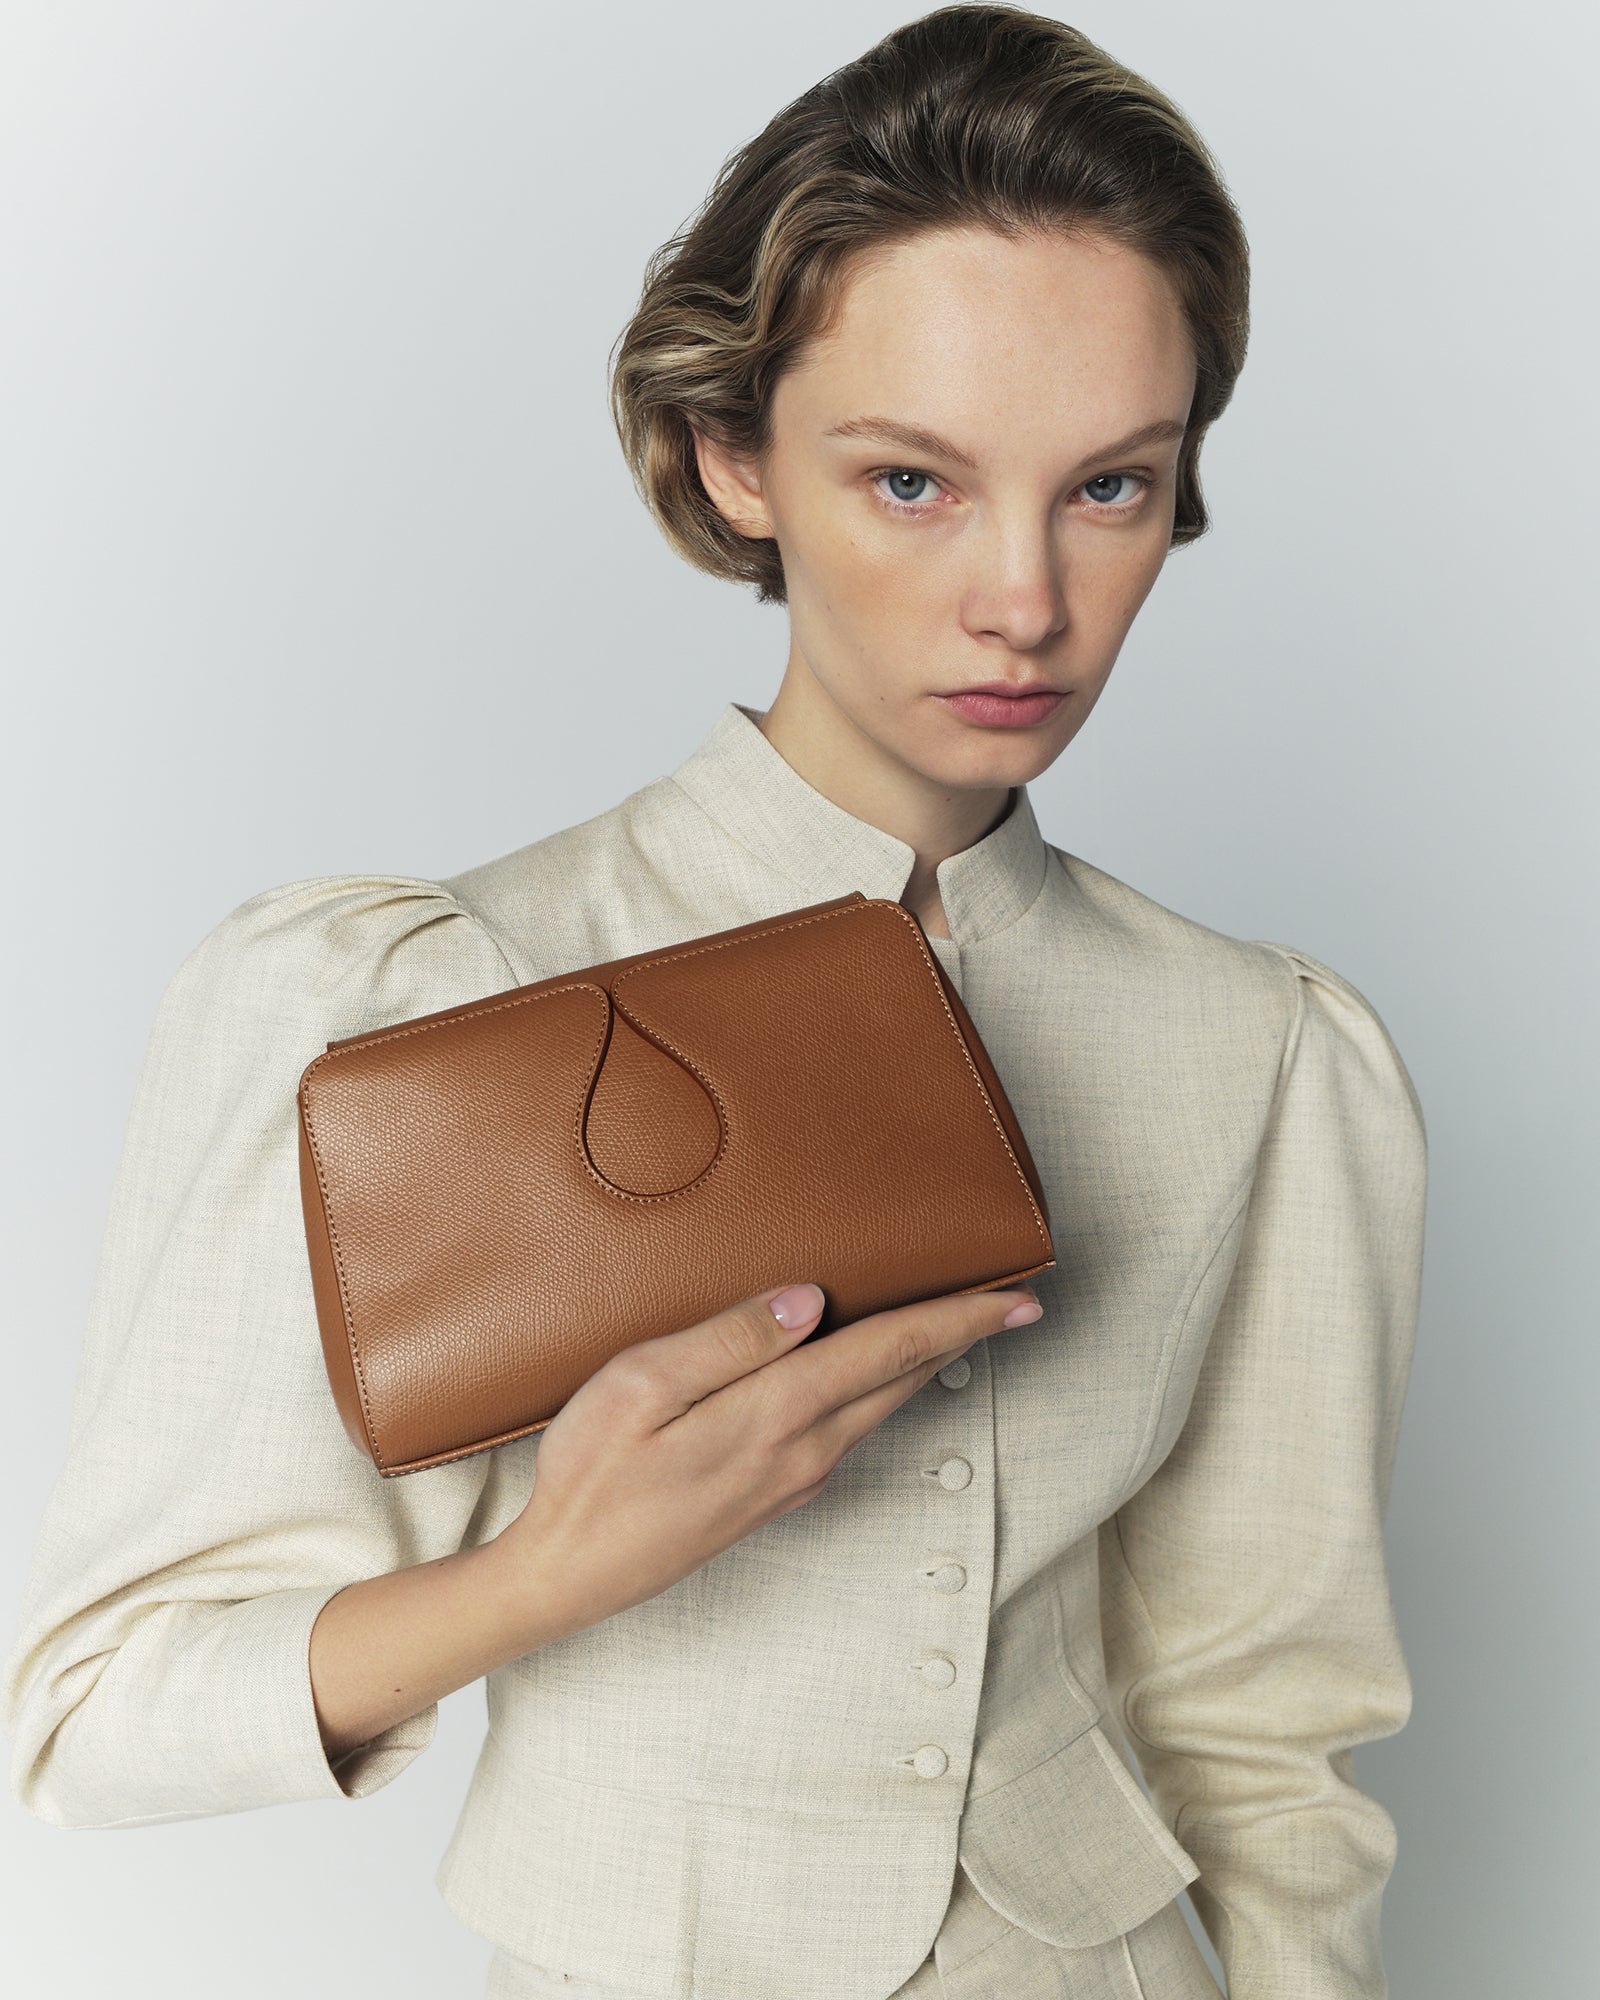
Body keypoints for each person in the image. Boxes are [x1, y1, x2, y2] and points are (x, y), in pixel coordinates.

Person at [4, 8, 1427, 1998]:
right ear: (730, 456)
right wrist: (549, 1572)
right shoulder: (419, 1003)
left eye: (1108, 487)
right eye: (913, 479)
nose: (1024, 599)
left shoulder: (1260, 1047)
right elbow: (94, 1709)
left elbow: (1268, 1727)